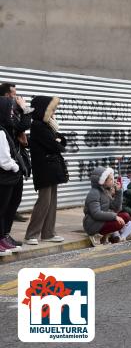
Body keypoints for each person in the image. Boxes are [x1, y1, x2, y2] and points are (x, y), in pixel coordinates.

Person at [24, 96, 69, 245]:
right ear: (44, 109)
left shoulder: (47, 125)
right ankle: (31, 234)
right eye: (52, 108)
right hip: (44, 169)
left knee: (52, 202)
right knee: (44, 202)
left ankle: (48, 233)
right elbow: (55, 146)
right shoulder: (38, 125)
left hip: (51, 168)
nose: (54, 112)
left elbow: (61, 142)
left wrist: (57, 141)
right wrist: (57, 142)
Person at [1, 83, 33, 223]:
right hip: (8, 162)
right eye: (14, 94)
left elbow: (20, 129)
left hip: (16, 158)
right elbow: (22, 125)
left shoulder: (12, 110)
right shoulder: (4, 110)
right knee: (7, 202)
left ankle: (6, 233)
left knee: (15, 198)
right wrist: (25, 108)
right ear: (7, 95)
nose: (17, 97)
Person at [0, 98, 27, 255]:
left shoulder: (4, 129)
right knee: (2, 209)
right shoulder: (1, 131)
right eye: (9, 109)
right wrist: (15, 167)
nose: (12, 112)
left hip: (6, 176)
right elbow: (4, 160)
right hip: (5, 176)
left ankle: (3, 238)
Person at [83, 166, 131, 245]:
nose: (113, 181)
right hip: (93, 224)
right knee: (118, 222)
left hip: (102, 221)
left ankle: (105, 237)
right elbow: (96, 214)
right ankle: (96, 236)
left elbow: (116, 209)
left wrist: (118, 192)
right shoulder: (94, 193)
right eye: (111, 179)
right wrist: (115, 216)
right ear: (103, 181)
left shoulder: (105, 191)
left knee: (125, 216)